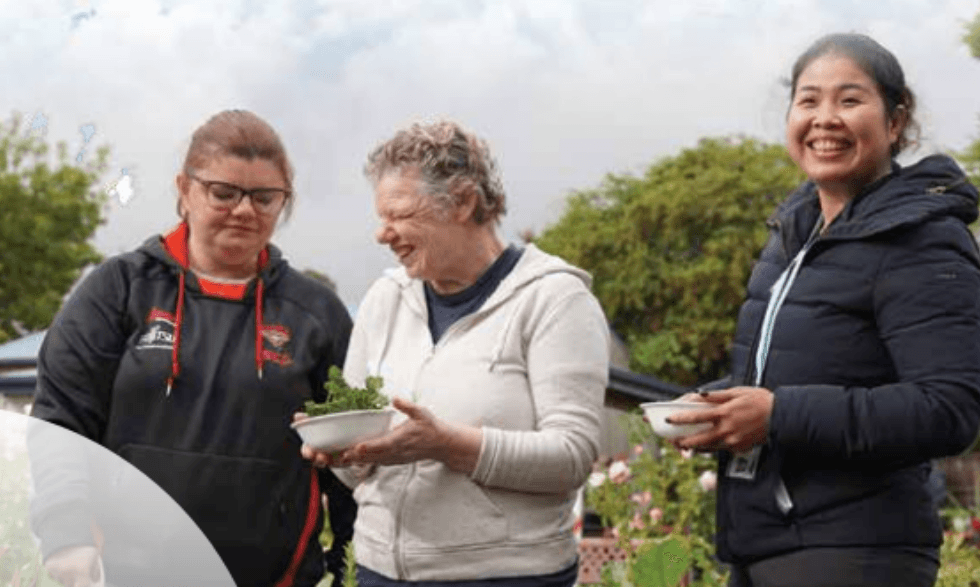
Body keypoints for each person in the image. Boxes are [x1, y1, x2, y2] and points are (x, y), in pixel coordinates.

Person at [667, 33, 980, 587]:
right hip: (766, 540)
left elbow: (948, 407)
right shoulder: (793, 237)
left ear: (895, 120)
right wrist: (720, 406)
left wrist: (777, 416)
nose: (825, 118)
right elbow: (797, 374)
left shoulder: (922, 240)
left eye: (849, 100)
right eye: (809, 101)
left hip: (857, 549)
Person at [29, 110, 356, 587]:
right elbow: (61, 419)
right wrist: (65, 534)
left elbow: (351, 454)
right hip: (123, 574)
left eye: (265, 198)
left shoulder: (316, 313)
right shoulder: (118, 290)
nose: (245, 210)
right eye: (223, 193)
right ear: (185, 189)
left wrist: (353, 562)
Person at [299, 120, 610, 586]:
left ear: (463, 202)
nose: (382, 235)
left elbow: (572, 456)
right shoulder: (384, 300)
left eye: (399, 215)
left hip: (505, 577)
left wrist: (446, 444)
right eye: (380, 218)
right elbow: (360, 469)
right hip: (380, 572)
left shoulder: (553, 299)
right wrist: (345, 450)